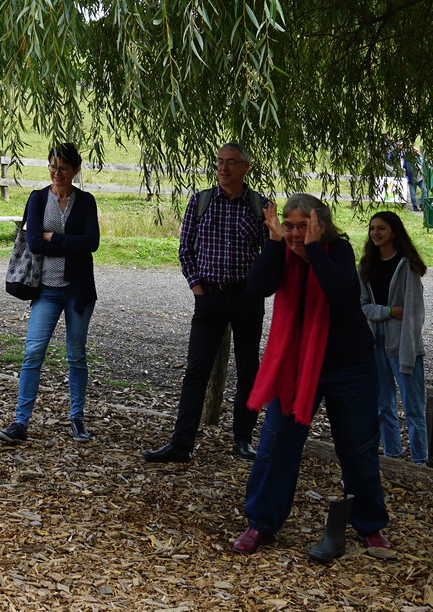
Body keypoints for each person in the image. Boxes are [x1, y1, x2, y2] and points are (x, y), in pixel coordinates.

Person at [231, 193, 391, 562]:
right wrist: (274, 243)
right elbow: (258, 286)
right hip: (296, 364)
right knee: (277, 443)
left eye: (303, 226)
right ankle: (261, 522)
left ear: (321, 225)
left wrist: (315, 250)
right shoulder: (281, 249)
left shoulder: (338, 250)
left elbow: (340, 293)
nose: (294, 233)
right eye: (289, 226)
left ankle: (369, 524)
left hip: (348, 363)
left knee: (358, 447)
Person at [144, 142, 267, 463]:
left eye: (231, 162)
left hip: (246, 298)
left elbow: (269, 255)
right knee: (196, 371)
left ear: (245, 167)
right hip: (209, 297)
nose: (224, 168)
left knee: (248, 370)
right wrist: (197, 287)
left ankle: (242, 439)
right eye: (220, 162)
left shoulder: (259, 206)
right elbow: (185, 249)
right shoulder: (201, 201)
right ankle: (181, 444)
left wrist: (257, 290)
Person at [0, 143, 100, 445]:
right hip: (46, 291)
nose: (57, 173)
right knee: (33, 353)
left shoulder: (86, 201)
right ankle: (20, 423)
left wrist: (53, 236)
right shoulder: (38, 198)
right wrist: (70, 243)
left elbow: (92, 243)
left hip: (79, 290)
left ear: (76, 169)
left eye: (64, 168)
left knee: (76, 355)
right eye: (53, 166)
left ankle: (77, 419)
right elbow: (34, 243)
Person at [359, 211, 428, 465]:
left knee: (413, 408)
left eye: (381, 228)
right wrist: (388, 311)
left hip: (403, 343)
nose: (375, 233)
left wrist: (409, 350)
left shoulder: (407, 266)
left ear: (394, 233)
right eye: (372, 228)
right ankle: (392, 456)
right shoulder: (366, 266)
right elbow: (362, 306)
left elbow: (413, 312)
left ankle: (420, 461)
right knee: (383, 406)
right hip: (375, 342)